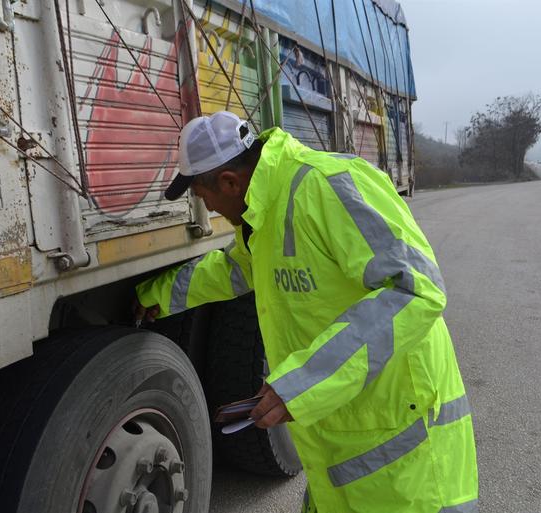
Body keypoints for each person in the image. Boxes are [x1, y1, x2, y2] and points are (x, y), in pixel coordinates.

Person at [134, 111, 478, 513]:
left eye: (201, 195)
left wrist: (305, 382)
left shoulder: (329, 185)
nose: (205, 206)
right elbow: (235, 269)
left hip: (407, 453)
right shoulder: (264, 212)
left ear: (229, 182)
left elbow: (416, 289)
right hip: (345, 441)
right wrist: (155, 294)